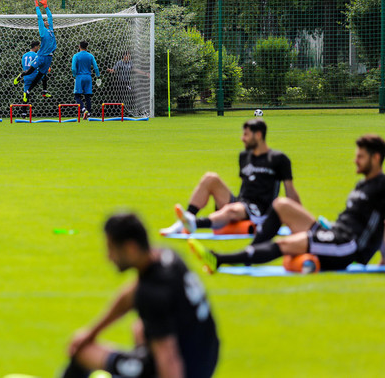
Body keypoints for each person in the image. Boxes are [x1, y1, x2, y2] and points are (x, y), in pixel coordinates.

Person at [189, 134, 385, 273]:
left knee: (285, 244)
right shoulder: (363, 184)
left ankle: (220, 259)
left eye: (360, 157)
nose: (355, 160)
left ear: (376, 158)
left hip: (346, 246)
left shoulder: (382, 186)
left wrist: (381, 258)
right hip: (334, 231)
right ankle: (253, 248)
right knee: (281, 204)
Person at [63, 212, 219, 378]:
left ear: (130, 248)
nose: (109, 257)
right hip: (207, 354)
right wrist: (92, 332)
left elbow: (169, 358)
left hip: (187, 369)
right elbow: (131, 293)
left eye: (111, 248)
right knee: (140, 328)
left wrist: (86, 342)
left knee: (84, 353)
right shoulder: (166, 256)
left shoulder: (151, 295)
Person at [161, 118, 300, 242]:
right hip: (242, 203)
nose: (242, 138)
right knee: (211, 178)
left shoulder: (279, 159)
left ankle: (194, 224)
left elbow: (290, 192)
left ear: (258, 135)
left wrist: (300, 218)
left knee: (231, 210)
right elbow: (247, 186)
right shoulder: (244, 156)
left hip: (260, 211)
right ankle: (184, 221)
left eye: (246, 135)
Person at [13, 0, 56, 103]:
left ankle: (28, 92)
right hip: (41, 56)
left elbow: (50, 17)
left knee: (40, 76)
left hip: (49, 58)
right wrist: (37, 6)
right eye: (45, 21)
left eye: (47, 21)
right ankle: (20, 76)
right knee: (30, 71)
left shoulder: (51, 29)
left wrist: (46, 6)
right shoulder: (43, 31)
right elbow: (40, 18)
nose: (47, 22)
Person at [106, 51, 148, 116]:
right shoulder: (119, 63)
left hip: (127, 82)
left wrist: (145, 73)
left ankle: (130, 111)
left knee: (133, 94)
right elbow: (114, 70)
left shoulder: (130, 63)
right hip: (120, 83)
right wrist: (110, 70)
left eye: (129, 56)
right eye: (128, 56)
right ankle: (118, 113)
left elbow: (135, 69)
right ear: (124, 57)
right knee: (120, 98)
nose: (129, 57)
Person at [71, 41, 100, 120]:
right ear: (87, 47)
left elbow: (73, 68)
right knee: (87, 96)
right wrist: (98, 76)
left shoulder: (76, 56)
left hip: (79, 77)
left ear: (79, 46)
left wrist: (74, 75)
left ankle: (83, 109)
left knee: (77, 96)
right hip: (88, 77)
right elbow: (95, 67)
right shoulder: (90, 56)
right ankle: (89, 113)